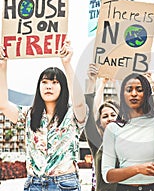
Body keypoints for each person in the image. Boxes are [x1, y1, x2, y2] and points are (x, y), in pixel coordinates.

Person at [0, 41, 88, 190]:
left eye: (54, 82)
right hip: (34, 183)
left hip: (64, 183)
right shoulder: (29, 114)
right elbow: (3, 105)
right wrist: (2, 66)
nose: (48, 86)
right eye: (45, 82)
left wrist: (67, 64)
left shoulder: (72, 114)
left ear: (63, 87)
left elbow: (79, 103)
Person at [101, 73, 154, 191]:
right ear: (122, 95)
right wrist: (137, 169)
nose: (134, 94)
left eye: (139, 90)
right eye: (129, 90)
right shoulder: (113, 128)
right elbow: (107, 175)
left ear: (147, 93)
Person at [84, 63, 119, 191]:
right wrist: (96, 83)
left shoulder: (127, 139)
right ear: (99, 122)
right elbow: (89, 110)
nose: (109, 118)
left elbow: (129, 109)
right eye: (105, 116)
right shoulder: (97, 143)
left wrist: (116, 82)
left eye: (113, 114)